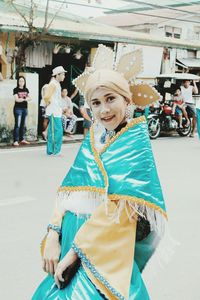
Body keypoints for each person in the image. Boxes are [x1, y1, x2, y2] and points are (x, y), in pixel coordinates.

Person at [32, 45, 167, 300]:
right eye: (96, 102)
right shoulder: (93, 140)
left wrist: (74, 253)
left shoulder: (135, 143)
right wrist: (53, 233)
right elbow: (67, 193)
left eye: (110, 99)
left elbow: (121, 213)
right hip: (69, 238)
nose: (104, 109)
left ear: (127, 101)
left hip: (102, 251)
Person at [44, 66, 66, 155]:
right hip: (53, 111)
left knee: (55, 130)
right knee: (55, 131)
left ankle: (52, 150)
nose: (64, 76)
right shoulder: (53, 84)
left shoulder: (57, 84)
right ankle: (54, 151)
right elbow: (46, 97)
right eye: (63, 74)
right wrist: (49, 104)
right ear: (58, 75)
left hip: (57, 111)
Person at [13, 76, 31, 146]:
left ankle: (22, 139)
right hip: (18, 109)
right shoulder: (15, 89)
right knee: (17, 125)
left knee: (23, 125)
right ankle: (15, 140)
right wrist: (25, 98)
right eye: (20, 81)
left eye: (23, 81)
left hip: (25, 109)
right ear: (18, 82)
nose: (21, 82)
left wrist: (22, 98)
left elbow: (30, 98)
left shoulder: (26, 89)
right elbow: (17, 99)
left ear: (24, 82)